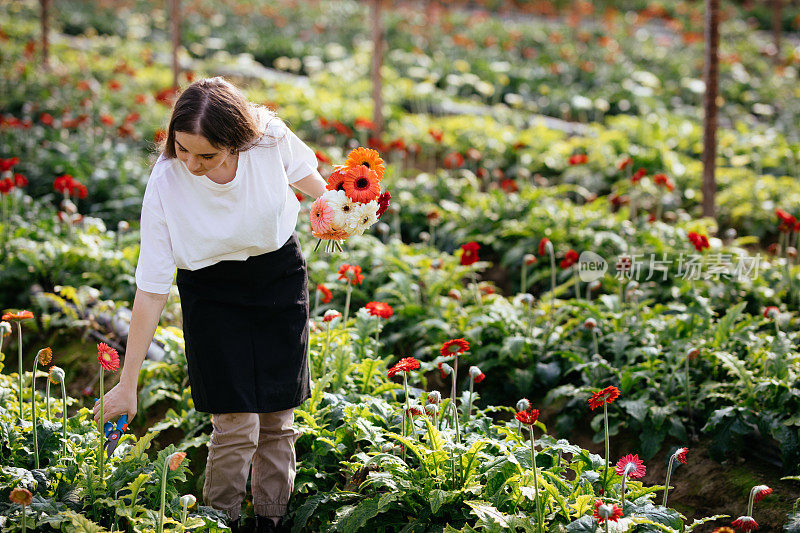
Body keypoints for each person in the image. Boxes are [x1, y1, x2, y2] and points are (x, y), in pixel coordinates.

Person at [92, 77, 328, 533]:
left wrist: (344, 205)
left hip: (277, 277)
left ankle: (270, 520)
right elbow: (152, 287)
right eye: (182, 149)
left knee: (278, 416)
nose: (191, 164)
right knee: (235, 420)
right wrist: (128, 382)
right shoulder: (165, 182)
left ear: (238, 142)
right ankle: (219, 520)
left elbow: (306, 176)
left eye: (207, 155)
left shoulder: (269, 138)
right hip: (211, 292)